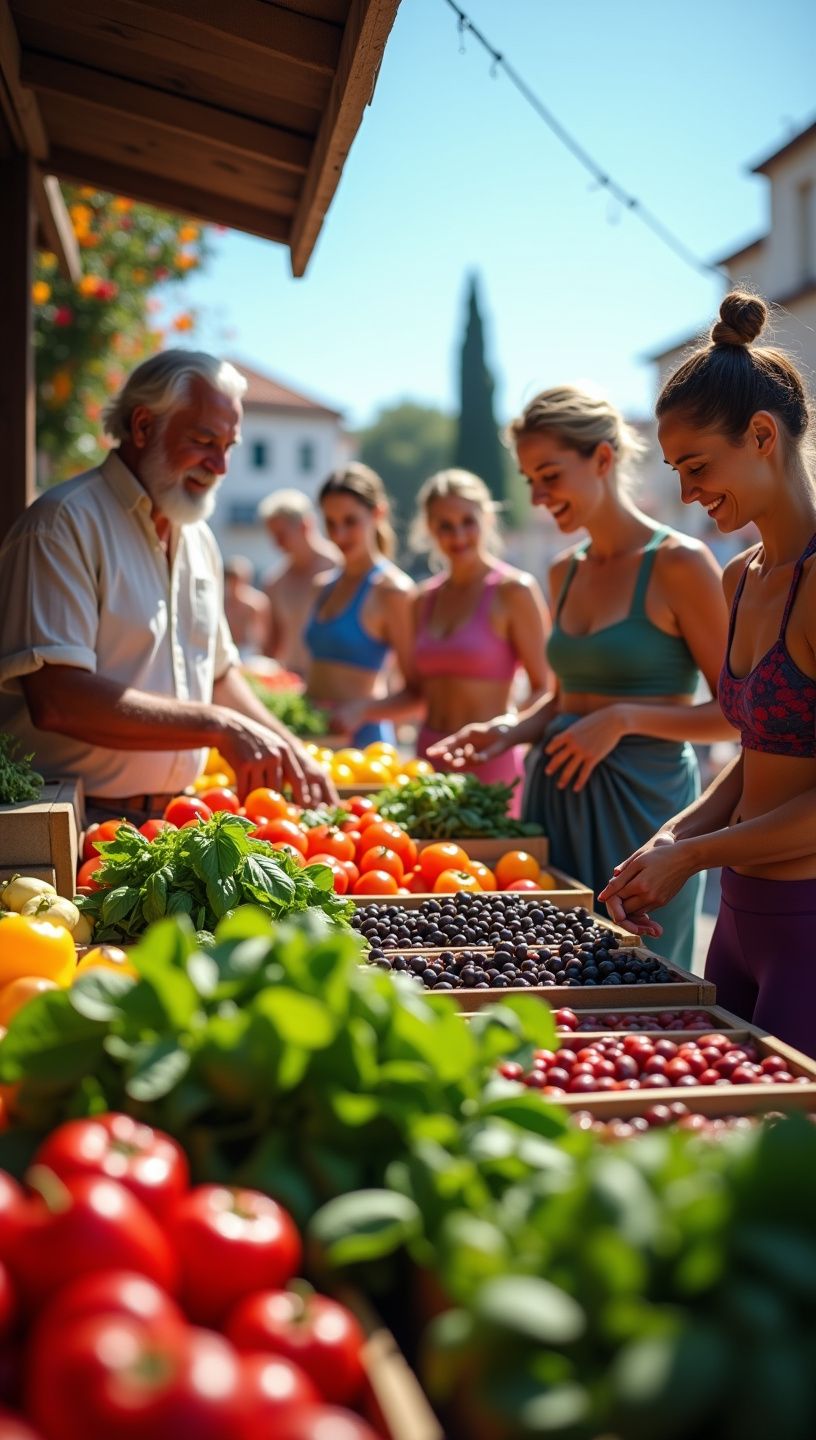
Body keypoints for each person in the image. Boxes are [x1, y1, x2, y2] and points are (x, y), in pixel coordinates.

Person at [429, 387, 735, 968]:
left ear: (602, 458)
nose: (538, 497)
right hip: (554, 801)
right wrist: (508, 730)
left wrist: (621, 719)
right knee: (552, 973)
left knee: (644, 982)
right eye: (529, 480)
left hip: (647, 816)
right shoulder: (561, 569)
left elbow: (734, 714)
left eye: (549, 475)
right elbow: (563, 697)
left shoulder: (680, 561)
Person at [600, 292, 816, 1054]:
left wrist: (691, 856)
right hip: (738, 921)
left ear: (762, 435)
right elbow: (763, 754)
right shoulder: (740, 578)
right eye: (675, 471)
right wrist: (672, 834)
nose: (687, 493)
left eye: (697, 466)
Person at [0, 351, 334, 822]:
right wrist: (217, 726)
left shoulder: (198, 537)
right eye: (203, 440)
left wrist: (291, 749)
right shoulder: (62, 524)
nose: (219, 466)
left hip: (179, 820)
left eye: (229, 446)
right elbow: (57, 698)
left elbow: (218, 676)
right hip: (76, 824)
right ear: (142, 426)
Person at [333, 468, 551, 813]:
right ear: (429, 529)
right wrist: (364, 709)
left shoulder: (514, 591)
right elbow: (416, 694)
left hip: (491, 762)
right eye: (445, 525)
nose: (458, 535)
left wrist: (507, 728)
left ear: (488, 519)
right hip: (429, 763)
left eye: (468, 521)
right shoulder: (422, 600)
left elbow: (545, 689)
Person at [303, 464, 414, 749]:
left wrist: (362, 710)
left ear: (378, 513)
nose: (339, 534)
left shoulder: (392, 591)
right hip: (314, 740)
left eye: (350, 521)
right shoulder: (323, 586)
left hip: (364, 750)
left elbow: (418, 694)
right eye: (330, 523)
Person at [259, 490, 338, 676]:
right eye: (273, 536)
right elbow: (271, 645)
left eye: (281, 534)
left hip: (337, 685)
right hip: (295, 684)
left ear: (305, 526)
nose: (277, 544)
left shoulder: (341, 567)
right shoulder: (275, 582)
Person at [223, 555, 271, 658]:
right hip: (227, 649)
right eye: (231, 580)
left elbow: (262, 638)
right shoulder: (222, 603)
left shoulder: (256, 604)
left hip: (249, 653)